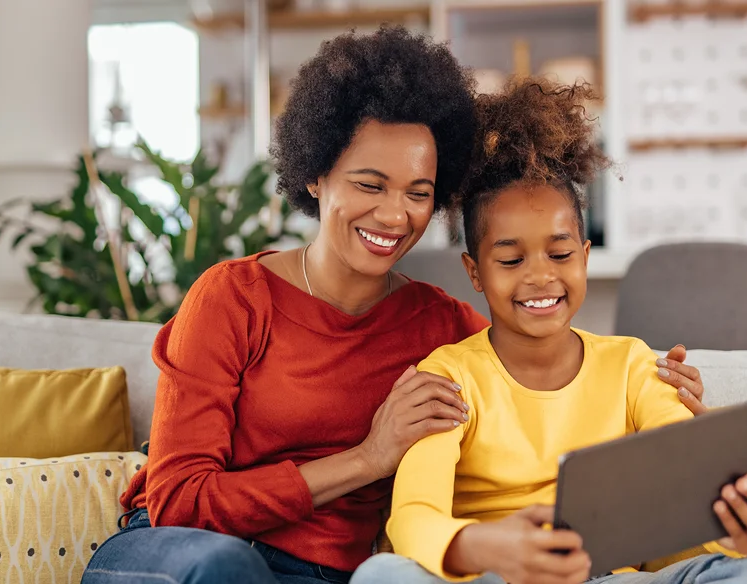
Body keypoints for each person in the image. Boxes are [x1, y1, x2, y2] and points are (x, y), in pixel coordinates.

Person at [82, 29, 705, 584]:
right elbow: (178, 500)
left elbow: (542, 357)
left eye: (418, 192)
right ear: (315, 176)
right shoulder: (233, 298)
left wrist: (659, 388)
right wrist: (366, 460)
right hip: (185, 554)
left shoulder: (442, 329)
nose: (393, 214)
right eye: (369, 185)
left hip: (329, 574)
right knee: (229, 569)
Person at [350, 80, 747, 584]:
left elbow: (689, 484)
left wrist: (746, 527)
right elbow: (413, 518)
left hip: (610, 579)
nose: (540, 275)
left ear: (584, 258)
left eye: (561, 254)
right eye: (510, 259)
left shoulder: (633, 365)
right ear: (475, 271)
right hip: (492, 577)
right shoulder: (448, 377)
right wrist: (492, 547)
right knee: (382, 575)